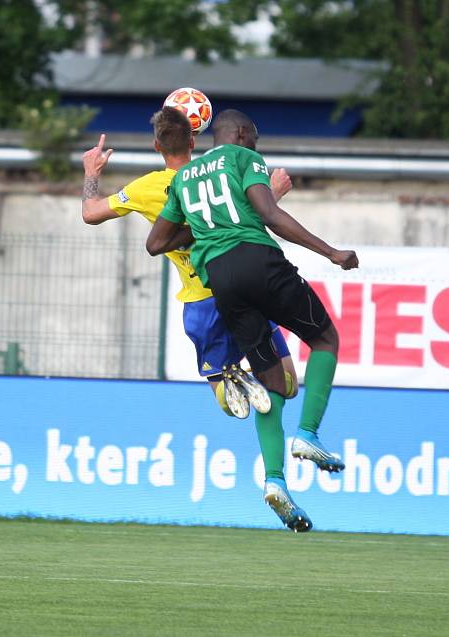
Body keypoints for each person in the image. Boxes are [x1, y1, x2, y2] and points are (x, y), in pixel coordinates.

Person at [146, 109, 359, 532]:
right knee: (325, 338)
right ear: (242, 134)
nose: (256, 147)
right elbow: (270, 214)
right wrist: (331, 252)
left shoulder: (184, 179)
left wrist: (206, 229)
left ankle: (275, 480)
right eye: (255, 140)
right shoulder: (243, 159)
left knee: (274, 383)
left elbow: (156, 243)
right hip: (257, 261)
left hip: (220, 282)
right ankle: (309, 434)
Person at [81, 109, 298, 419]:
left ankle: (237, 378)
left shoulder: (145, 188)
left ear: (157, 146)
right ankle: (252, 375)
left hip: (201, 302)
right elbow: (250, 215)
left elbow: (90, 213)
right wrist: (273, 193)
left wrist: (92, 171)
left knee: (229, 405)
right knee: (286, 384)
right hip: (243, 286)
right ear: (193, 142)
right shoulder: (214, 175)